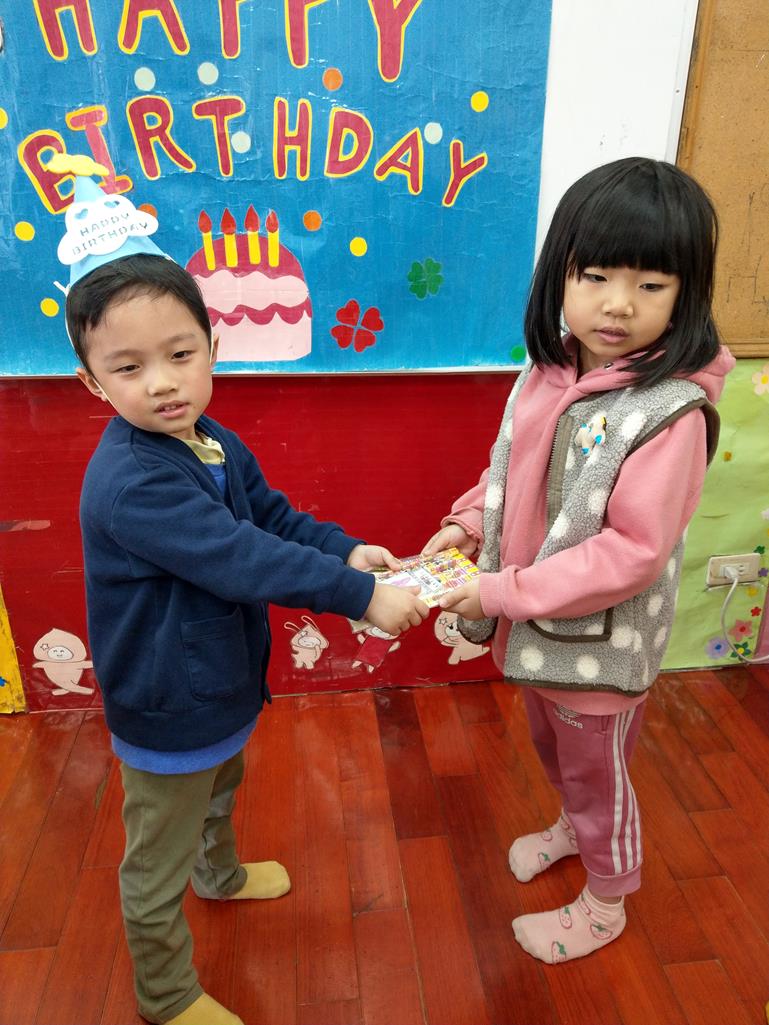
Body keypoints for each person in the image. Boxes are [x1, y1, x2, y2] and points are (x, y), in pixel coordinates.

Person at [58, 162, 428, 1025]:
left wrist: (345, 549)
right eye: (128, 367)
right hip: (168, 699)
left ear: (214, 346)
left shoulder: (208, 437)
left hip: (218, 678)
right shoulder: (133, 482)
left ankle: (218, 874)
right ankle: (164, 994)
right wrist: (357, 595)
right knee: (156, 854)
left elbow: (268, 514)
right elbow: (239, 556)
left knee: (221, 787)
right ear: (92, 383)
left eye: (180, 354)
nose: (162, 381)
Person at [422, 157, 734, 964]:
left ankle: (605, 900)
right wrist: (466, 524)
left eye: (650, 284)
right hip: (539, 629)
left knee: (600, 774)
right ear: (558, 273)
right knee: (554, 748)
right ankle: (573, 825)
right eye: (594, 276)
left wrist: (499, 591)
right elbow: (512, 471)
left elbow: (631, 552)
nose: (617, 303)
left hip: (600, 644)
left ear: (686, 294)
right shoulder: (550, 370)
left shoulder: (668, 413)